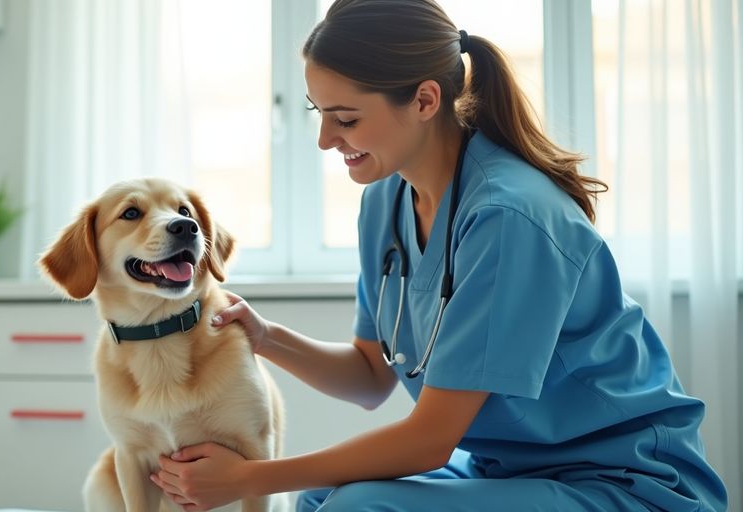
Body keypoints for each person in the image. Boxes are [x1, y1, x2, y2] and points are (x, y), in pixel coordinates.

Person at [148, 0, 728, 510]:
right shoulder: (385, 199)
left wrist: (249, 479)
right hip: (514, 470)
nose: (325, 139)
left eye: (345, 118)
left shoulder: (508, 217)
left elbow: (429, 441)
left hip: (623, 483)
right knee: (322, 496)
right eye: (317, 113)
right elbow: (373, 376)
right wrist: (265, 336)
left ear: (425, 99)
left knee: (357, 507)